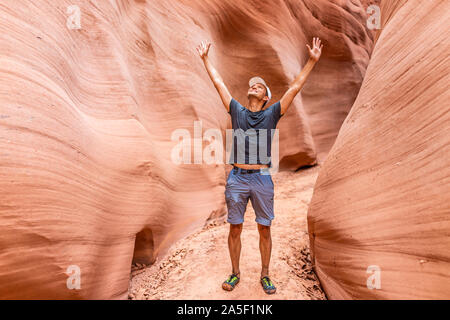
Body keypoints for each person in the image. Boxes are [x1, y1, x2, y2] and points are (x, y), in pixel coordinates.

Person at [196, 37, 323, 294]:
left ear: (265, 97)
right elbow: (219, 83)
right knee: (235, 227)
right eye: (252, 85)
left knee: (264, 228)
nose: (254, 86)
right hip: (237, 178)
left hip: (262, 178)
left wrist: (311, 61)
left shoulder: (271, 114)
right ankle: (235, 273)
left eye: (259, 86)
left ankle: (265, 274)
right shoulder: (237, 111)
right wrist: (205, 59)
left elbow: (295, 88)